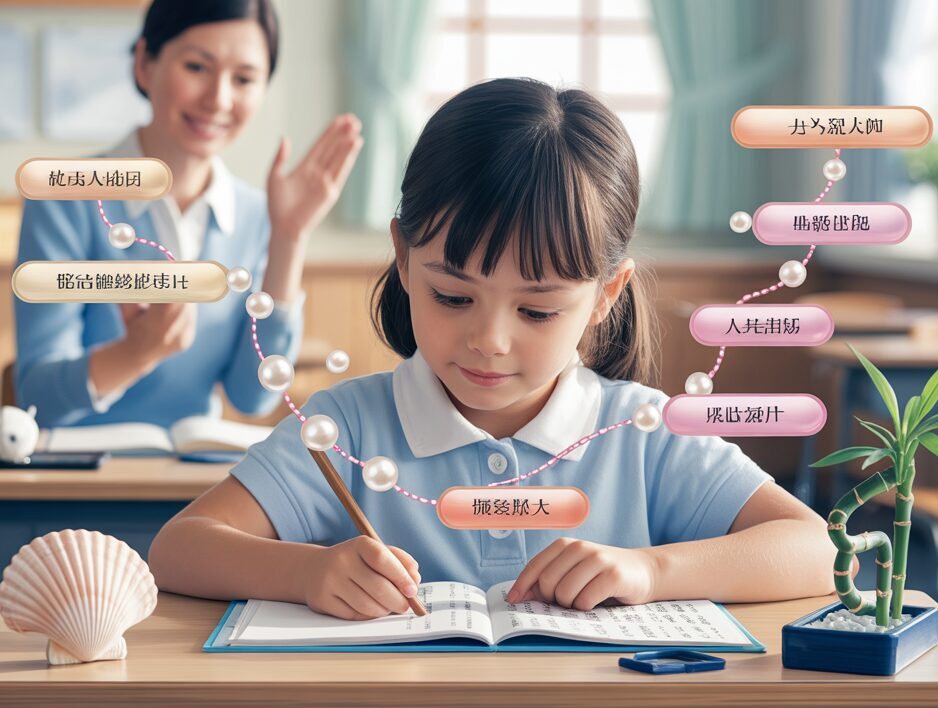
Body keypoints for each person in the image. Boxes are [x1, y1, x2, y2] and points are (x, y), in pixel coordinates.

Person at [149, 78, 840, 620]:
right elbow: (179, 548)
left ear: (606, 294)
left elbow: (819, 550)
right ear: (403, 256)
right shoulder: (351, 427)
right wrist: (305, 572)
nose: (490, 340)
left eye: (537, 309)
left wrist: (651, 572)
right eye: (453, 297)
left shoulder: (642, 431)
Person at [15, 0, 362, 428]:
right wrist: (136, 351)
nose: (219, 98)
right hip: (80, 477)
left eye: (244, 79)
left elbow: (252, 396)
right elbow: (36, 397)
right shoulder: (64, 199)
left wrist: (289, 237)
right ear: (145, 63)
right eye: (197, 67)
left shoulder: (257, 214)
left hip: (195, 477)